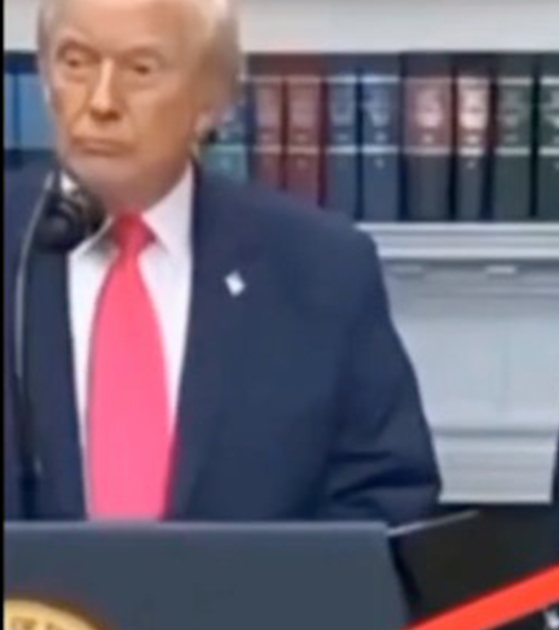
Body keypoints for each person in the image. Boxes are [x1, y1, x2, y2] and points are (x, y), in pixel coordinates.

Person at [3, 0, 440, 525]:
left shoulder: (321, 270)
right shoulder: (16, 249)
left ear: (212, 102)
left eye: (140, 69)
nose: (100, 102)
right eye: (76, 62)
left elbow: (386, 499)